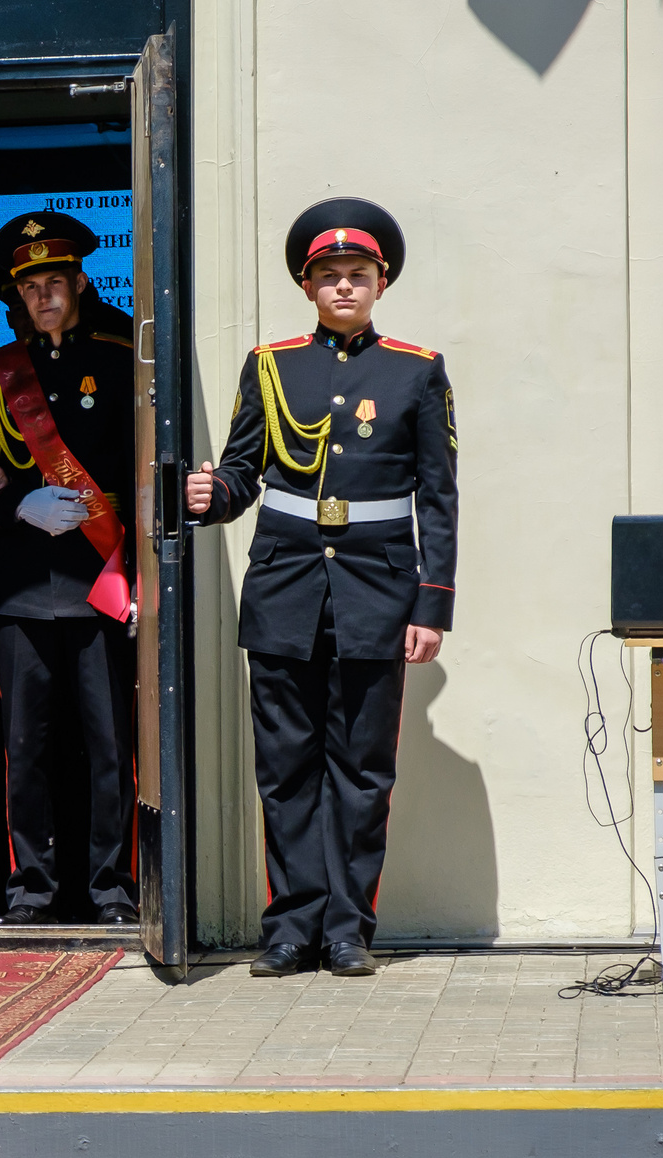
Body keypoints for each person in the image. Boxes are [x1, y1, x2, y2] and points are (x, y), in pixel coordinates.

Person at [186, 199, 456, 978]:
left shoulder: (416, 370)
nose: (344, 286)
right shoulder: (270, 367)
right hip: (285, 589)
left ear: (381, 283)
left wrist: (431, 603)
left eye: (358, 275)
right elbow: (244, 471)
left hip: (378, 591)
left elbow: (438, 497)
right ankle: (291, 926)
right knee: (287, 767)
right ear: (308, 286)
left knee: (364, 770)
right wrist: (214, 497)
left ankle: (348, 928)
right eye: (329, 276)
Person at [0, 210, 139, 927]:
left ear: (81, 282)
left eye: (56, 281)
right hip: (26, 585)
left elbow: (138, 465)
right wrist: (15, 507)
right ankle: (29, 890)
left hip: (103, 575)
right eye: (32, 286)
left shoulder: (120, 357)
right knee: (23, 750)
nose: (45, 295)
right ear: (17, 295)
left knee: (107, 745)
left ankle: (111, 888)